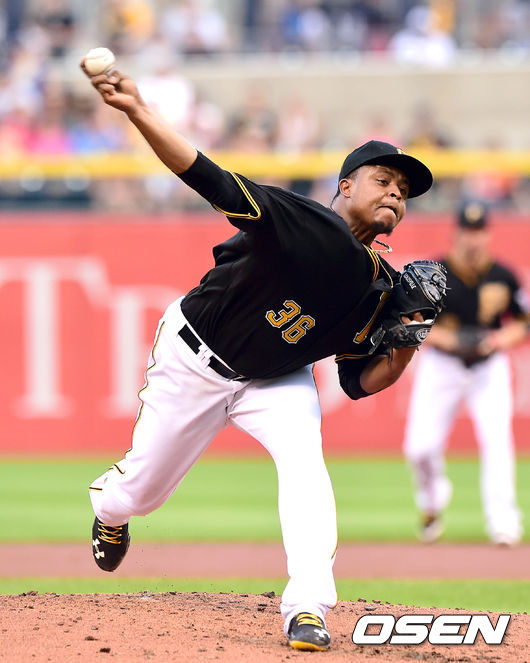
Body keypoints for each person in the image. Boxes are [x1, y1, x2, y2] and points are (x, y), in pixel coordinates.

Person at [82, 61, 437, 651]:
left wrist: (407, 342)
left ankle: (308, 607)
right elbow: (208, 177)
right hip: (196, 356)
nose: (396, 193)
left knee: (305, 466)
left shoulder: (383, 288)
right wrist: (139, 110)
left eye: (404, 192)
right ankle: (111, 513)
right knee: (139, 492)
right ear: (346, 186)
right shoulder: (302, 221)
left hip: (277, 379)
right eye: (383, 179)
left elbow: (358, 381)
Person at [404, 201, 529, 546]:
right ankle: (431, 504)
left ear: (488, 234)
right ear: (456, 233)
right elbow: (412, 321)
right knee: (419, 447)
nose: (473, 238)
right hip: (442, 365)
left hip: (488, 367)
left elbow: (523, 322)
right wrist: (448, 338)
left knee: (497, 441)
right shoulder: (434, 273)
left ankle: (504, 522)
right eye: (467, 231)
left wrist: (498, 340)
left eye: (479, 231)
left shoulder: (502, 275)